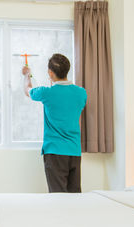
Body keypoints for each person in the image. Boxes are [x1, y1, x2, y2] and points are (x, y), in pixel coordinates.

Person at [22, 53, 86, 193]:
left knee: (57, 196)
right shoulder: (81, 93)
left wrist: (27, 74)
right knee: (75, 195)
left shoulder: (46, 93)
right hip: (74, 151)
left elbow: (28, 90)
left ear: (50, 72)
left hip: (55, 152)